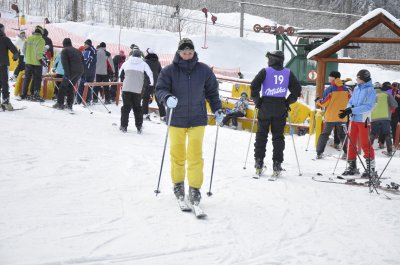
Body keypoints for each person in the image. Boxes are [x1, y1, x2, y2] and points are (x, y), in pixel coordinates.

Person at [156, 38, 222, 206]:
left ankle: (194, 188)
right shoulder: (168, 71)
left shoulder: (204, 71)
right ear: (178, 53)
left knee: (195, 155)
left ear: (194, 53)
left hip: (197, 118)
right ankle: (178, 184)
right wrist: (167, 97)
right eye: (184, 53)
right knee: (177, 155)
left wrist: (217, 109)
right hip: (176, 118)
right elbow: (160, 89)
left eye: (190, 52)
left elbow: (212, 92)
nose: (187, 55)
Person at [250, 50, 301, 175]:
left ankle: (259, 162)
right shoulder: (288, 73)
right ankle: (277, 164)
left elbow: (254, 87)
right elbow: (297, 90)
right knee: (278, 137)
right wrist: (287, 102)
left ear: (272, 59)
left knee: (261, 135)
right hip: (280, 107)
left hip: (265, 106)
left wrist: (258, 101)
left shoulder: (265, 71)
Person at [338, 69, 377, 177]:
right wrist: (347, 110)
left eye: (358, 78)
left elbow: (368, 107)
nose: (356, 79)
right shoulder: (356, 88)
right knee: (351, 143)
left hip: (363, 120)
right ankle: (352, 166)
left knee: (365, 143)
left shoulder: (370, 90)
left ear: (363, 79)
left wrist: (352, 110)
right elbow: (350, 102)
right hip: (353, 119)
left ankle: (371, 168)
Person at [315, 71, 350, 159]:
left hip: (330, 116)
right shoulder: (346, 89)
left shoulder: (330, 89)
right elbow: (351, 101)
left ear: (334, 78)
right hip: (342, 116)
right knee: (343, 135)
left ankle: (319, 153)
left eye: (329, 77)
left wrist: (317, 101)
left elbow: (324, 103)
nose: (328, 78)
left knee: (325, 134)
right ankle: (346, 153)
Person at [119, 49, 153, 133]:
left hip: (126, 88)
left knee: (126, 108)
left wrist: (122, 82)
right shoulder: (143, 64)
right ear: (140, 56)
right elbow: (150, 74)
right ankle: (139, 127)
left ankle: (123, 126)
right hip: (137, 90)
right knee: (137, 108)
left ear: (132, 55)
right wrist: (151, 83)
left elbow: (120, 74)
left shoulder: (126, 63)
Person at [52, 38, 84, 110]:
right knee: (70, 87)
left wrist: (66, 74)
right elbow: (83, 62)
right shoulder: (78, 51)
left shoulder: (65, 50)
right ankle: (69, 104)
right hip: (80, 71)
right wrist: (83, 74)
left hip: (72, 71)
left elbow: (64, 63)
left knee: (62, 87)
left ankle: (59, 103)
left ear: (64, 44)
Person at [370, 82, 398, 156]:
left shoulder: (370, 96)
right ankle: (389, 151)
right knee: (387, 134)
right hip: (386, 117)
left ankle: (368, 150)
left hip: (374, 117)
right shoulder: (387, 94)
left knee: (372, 134)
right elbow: (395, 105)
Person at [21, 25, 46, 101]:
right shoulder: (41, 40)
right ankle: (35, 95)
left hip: (28, 61)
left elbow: (23, 49)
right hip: (37, 63)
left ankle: (24, 94)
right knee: (37, 78)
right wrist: (41, 60)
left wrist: (27, 57)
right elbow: (38, 52)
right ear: (41, 32)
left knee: (27, 78)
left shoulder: (28, 38)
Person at [142, 48, 166, 121]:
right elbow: (161, 72)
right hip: (157, 83)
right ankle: (163, 115)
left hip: (147, 83)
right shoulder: (157, 62)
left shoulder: (145, 61)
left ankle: (145, 114)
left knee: (145, 99)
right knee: (159, 99)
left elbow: (142, 72)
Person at [0, 23, 19, 110]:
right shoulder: (5, 39)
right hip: (3, 64)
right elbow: (15, 51)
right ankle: (6, 102)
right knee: (4, 83)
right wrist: (15, 58)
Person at [76, 39, 96, 104]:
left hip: (86, 72)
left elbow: (85, 62)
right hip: (91, 72)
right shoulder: (94, 51)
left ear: (88, 45)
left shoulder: (88, 51)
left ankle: (79, 100)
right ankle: (88, 100)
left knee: (82, 86)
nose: (84, 45)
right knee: (89, 86)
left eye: (85, 44)